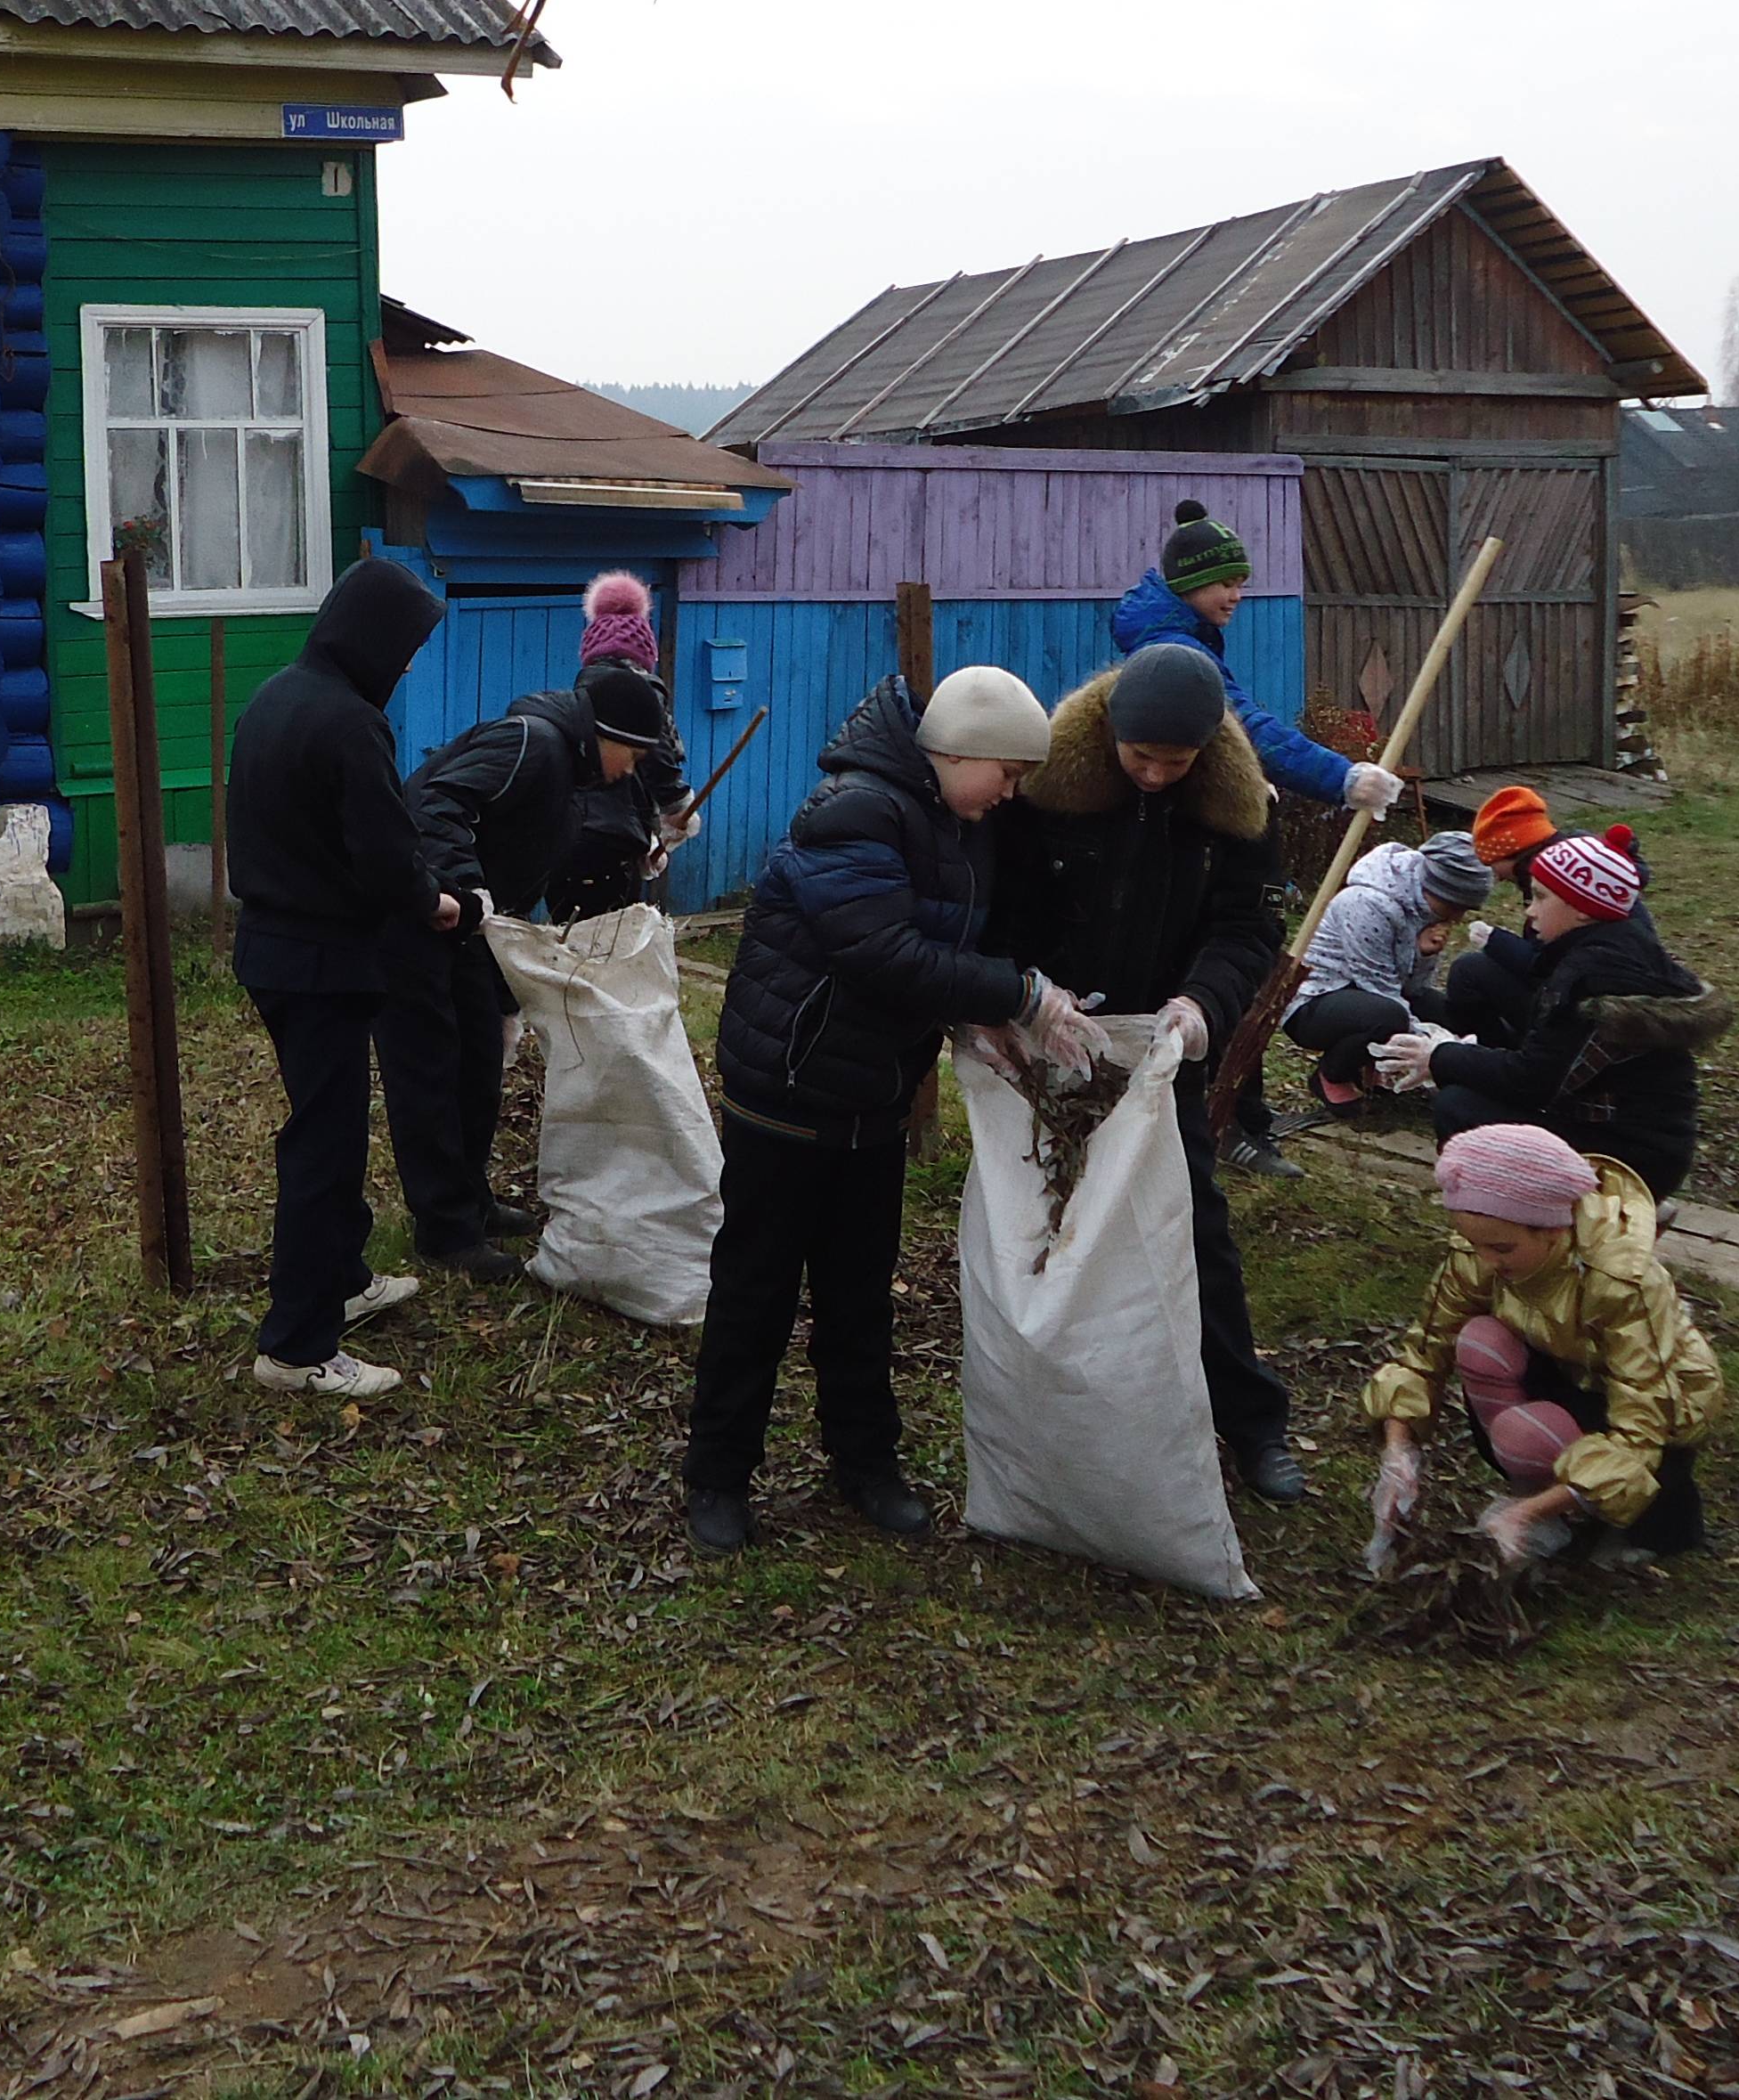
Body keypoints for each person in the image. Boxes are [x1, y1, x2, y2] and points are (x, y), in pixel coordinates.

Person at [686, 665, 1094, 1557]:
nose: (1014, 794)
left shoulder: (959, 820)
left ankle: (865, 1462)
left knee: (860, 1292)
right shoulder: (856, 809)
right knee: (755, 1291)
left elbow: (956, 938)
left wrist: (981, 1008)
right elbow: (882, 952)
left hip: (871, 1091)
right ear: (961, 752)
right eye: (1009, 774)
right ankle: (717, 1475)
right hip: (789, 1090)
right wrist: (1015, 993)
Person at [985, 640, 1308, 1504]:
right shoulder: (1048, 792)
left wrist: (1204, 1005)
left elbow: (1247, 929)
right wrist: (1027, 995)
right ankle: (1063, 1415)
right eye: (1142, 758)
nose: (1159, 776)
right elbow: (1003, 907)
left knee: (1193, 1229)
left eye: (1178, 761)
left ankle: (1252, 1423)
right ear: (1111, 736)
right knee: (1046, 1221)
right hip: (1051, 1039)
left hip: (1165, 1052)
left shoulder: (1234, 811)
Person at [224, 553, 463, 1401]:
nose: (404, 667)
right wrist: (439, 903)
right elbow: (386, 856)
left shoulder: (274, 697)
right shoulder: (351, 723)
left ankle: (348, 1278)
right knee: (324, 1147)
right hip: (321, 961)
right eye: (403, 649)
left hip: (271, 950)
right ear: (371, 639)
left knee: (326, 1124)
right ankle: (296, 1344)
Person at [381, 656, 681, 1280]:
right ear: (608, 737)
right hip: (424, 922)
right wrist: (463, 889)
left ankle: (472, 1202)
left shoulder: (572, 767)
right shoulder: (532, 744)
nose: (633, 770)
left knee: (478, 1063)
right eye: (633, 755)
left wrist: (636, 846)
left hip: (470, 931)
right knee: (435, 1073)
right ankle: (444, 1231)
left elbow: (557, 833)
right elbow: (435, 803)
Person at [1364, 1124, 1721, 1571]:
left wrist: (1525, 1516)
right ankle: (1555, 1491)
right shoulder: (1483, 1250)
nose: (1486, 1260)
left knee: (1536, 1438)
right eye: (1475, 1244)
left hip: (1657, 1398)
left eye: (1502, 1248)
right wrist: (1398, 1455)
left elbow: (1642, 1424)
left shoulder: (1622, 1282)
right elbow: (1425, 1352)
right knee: (1479, 1343)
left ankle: (1651, 1523)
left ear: (1553, 1231)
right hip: (1567, 1362)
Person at [1373, 826, 1727, 1206]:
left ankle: (1525, 1221)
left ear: (1580, 908)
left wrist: (1438, 1057)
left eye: (1541, 897)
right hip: (1648, 1137)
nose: (1530, 909)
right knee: (1473, 979)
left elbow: (1531, 1081)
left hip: (1627, 1155)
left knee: (1459, 1109)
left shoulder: (1591, 980)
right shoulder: (1613, 945)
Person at [1109, 502, 1408, 824]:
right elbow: (1242, 725)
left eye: (1240, 584)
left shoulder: (1173, 638)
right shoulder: (1177, 655)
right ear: (1188, 585)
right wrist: (1342, 779)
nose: (1237, 596)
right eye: (1226, 584)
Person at [1285, 829, 1494, 1112]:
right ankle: (1332, 1075)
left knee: (1445, 1009)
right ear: (1435, 887)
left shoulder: (1427, 910)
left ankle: (1375, 1063)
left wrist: (1423, 955)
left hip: (1367, 994)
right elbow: (1378, 987)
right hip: (1316, 1000)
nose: (1457, 917)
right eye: (1454, 906)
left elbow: (1414, 989)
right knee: (1388, 1016)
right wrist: (1438, 1047)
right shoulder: (1367, 904)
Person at [545, 573, 692, 924]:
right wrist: (677, 805)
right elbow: (657, 757)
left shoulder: (578, 699)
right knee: (609, 942)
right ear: (644, 656)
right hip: (611, 839)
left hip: (565, 838)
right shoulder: (641, 694)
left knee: (569, 939)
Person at [1441, 785, 1560, 1047]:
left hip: (1572, 1010)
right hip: (1570, 996)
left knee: (1468, 971)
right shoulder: (1564, 867)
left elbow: (1548, 966)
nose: (1495, 875)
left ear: (1514, 850)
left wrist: (1496, 941)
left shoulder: (1559, 885)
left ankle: (1496, 1053)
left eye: (1493, 861)